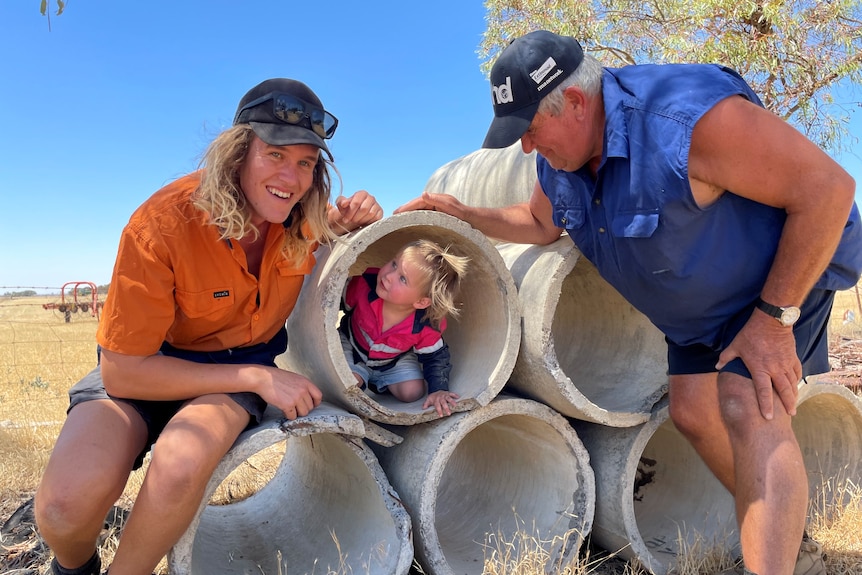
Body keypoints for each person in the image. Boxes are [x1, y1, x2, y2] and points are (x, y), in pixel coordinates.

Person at [395, 30, 862, 575]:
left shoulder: (683, 118)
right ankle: (784, 527)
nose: (526, 146)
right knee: (692, 413)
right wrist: (462, 212)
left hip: (774, 282)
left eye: (530, 129)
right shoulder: (559, 161)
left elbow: (826, 189)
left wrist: (773, 320)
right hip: (698, 311)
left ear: (573, 101)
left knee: (745, 401)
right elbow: (543, 223)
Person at [34, 77, 384, 575]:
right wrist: (258, 378)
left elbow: (340, 224)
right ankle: (74, 567)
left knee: (177, 470)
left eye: (306, 162)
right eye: (276, 155)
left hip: (235, 364)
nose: (293, 176)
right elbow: (123, 372)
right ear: (238, 153)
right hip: (147, 367)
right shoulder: (161, 225)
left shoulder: (302, 218)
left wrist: (362, 214)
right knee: (62, 509)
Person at [339, 239, 468, 417]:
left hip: (392, 360)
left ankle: (374, 381)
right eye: (393, 264)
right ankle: (360, 375)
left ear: (421, 302)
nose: (389, 276)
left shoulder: (426, 325)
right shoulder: (363, 287)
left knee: (412, 392)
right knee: (349, 383)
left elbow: (435, 358)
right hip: (352, 345)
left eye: (402, 278)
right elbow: (331, 301)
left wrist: (438, 389)